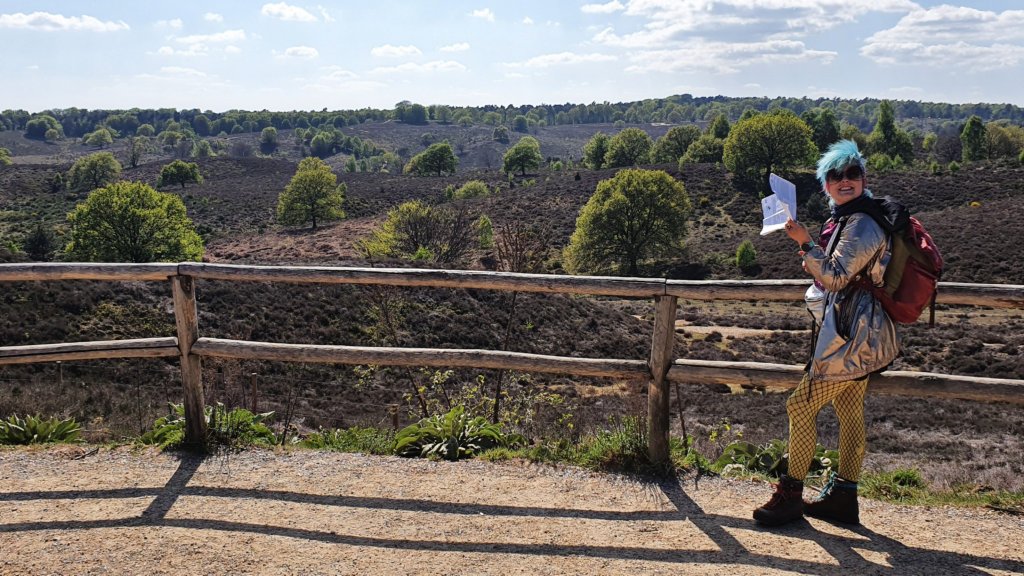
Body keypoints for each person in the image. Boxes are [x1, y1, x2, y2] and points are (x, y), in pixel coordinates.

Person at [753, 140, 900, 527]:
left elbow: (835, 277)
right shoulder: (851, 218)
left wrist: (804, 243)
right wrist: (813, 253)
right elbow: (838, 267)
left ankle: (790, 496)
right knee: (850, 409)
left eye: (852, 173)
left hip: (853, 336)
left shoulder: (863, 221)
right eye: (836, 175)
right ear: (826, 184)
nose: (844, 180)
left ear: (864, 178)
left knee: (800, 406)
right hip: (860, 332)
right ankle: (844, 499)